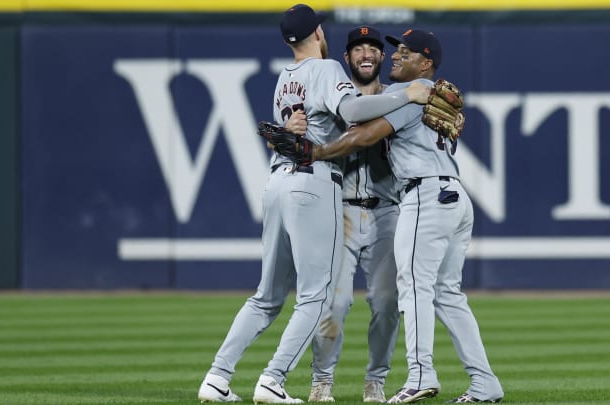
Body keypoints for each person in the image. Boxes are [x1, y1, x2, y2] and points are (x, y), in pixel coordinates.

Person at [197, 5, 430, 404]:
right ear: (319, 34)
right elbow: (352, 111)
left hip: (279, 184)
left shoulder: (284, 79)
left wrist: (286, 132)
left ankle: (216, 377)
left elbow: (291, 133)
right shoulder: (325, 71)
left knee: (267, 296)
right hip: (316, 187)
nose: (367, 54)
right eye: (358, 47)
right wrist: (409, 93)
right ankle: (274, 379)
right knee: (318, 297)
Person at [275, 29, 504, 404]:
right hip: (451, 195)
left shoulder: (412, 94)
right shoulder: (420, 93)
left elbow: (363, 137)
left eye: (405, 52)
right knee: (447, 294)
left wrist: (313, 153)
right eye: (396, 50)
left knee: (413, 288)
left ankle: (419, 376)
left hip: (423, 195)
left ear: (425, 63)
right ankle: (484, 383)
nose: (397, 56)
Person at [300, 26, 400, 404]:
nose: (366, 54)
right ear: (347, 59)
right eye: (358, 49)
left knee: (387, 304)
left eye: (372, 48)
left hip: (386, 210)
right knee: (334, 303)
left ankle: (376, 381)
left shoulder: (395, 97)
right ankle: (322, 380)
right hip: (339, 211)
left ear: (382, 57)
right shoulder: (332, 95)